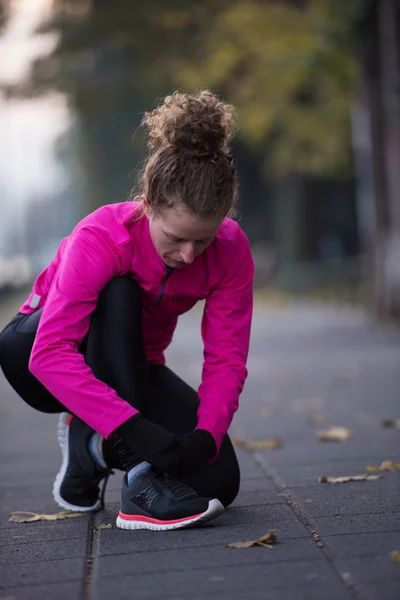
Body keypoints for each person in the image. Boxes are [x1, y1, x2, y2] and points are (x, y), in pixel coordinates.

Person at [0, 90, 254, 531]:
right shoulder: (103, 236)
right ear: (148, 205)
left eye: (204, 240)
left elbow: (227, 359)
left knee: (218, 482)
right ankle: (138, 483)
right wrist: (135, 432)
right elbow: (50, 354)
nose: (190, 255)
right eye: (175, 238)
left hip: (134, 368)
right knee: (119, 290)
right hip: (37, 356)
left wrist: (205, 435)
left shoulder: (232, 250)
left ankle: (90, 450)